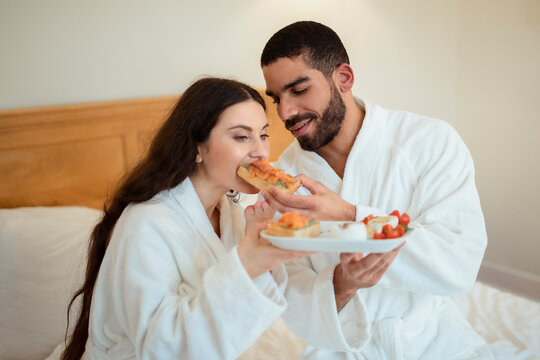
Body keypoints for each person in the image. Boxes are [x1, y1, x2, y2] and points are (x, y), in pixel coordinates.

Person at [259, 21, 494, 359]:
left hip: (432, 341)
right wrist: (343, 284)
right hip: (341, 348)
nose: (285, 112)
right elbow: (289, 297)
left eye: (298, 90)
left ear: (344, 78)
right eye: (276, 98)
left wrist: (351, 218)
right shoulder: (281, 181)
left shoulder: (429, 142)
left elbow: (459, 265)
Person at [61, 77, 312, 360]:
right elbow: (161, 348)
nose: (261, 152)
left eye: (263, 135)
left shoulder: (234, 210)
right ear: (197, 148)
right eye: (242, 137)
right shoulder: (147, 223)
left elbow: (250, 319)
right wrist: (246, 263)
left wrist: (260, 247)